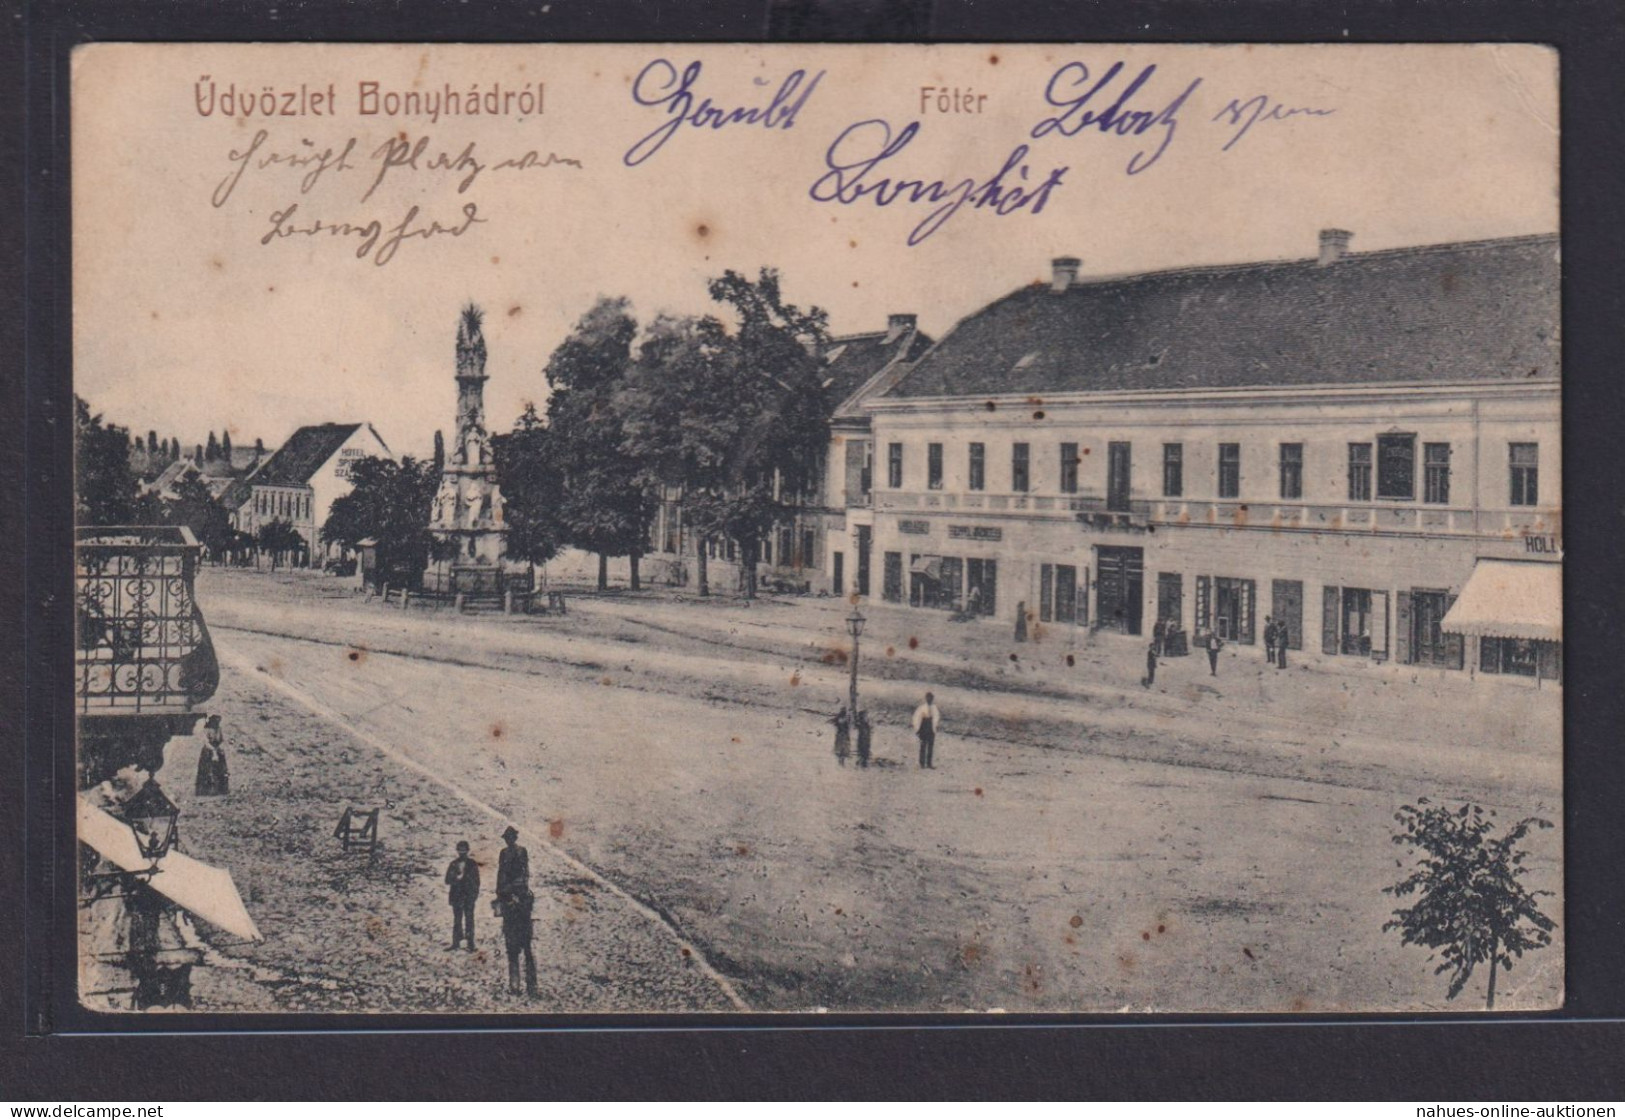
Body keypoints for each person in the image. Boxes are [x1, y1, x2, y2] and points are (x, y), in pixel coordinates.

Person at [496, 825, 537, 995]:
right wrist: (502, 893)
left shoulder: (522, 852)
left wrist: (515, 891)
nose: (509, 840)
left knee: (527, 946)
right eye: (507, 838)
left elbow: (524, 874)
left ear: (515, 838)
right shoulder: (503, 853)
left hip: (521, 904)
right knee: (511, 946)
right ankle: (515, 985)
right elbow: (501, 875)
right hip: (508, 901)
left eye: (511, 837)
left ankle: (531, 984)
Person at [444, 840, 481, 951]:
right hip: (457, 897)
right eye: (460, 850)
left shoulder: (472, 864)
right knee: (457, 920)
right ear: (457, 851)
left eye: (464, 850)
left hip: (468, 897)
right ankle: (456, 943)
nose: (462, 853)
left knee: (469, 920)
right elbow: (447, 880)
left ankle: (470, 944)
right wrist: (456, 878)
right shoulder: (453, 864)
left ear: (467, 851)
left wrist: (474, 895)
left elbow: (476, 881)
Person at [194, 715, 229, 797]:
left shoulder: (219, 729)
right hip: (208, 751)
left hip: (218, 749)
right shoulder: (206, 730)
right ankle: (205, 791)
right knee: (207, 770)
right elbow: (205, 742)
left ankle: (221, 790)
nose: (217, 723)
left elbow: (222, 740)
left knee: (221, 769)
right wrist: (213, 751)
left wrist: (220, 748)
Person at [912, 691, 942, 769]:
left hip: (930, 726)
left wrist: (936, 725)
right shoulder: (921, 708)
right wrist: (917, 728)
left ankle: (929, 763)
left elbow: (936, 717)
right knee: (923, 745)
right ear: (926, 698)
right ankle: (922, 763)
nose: (930, 700)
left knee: (930, 746)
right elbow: (916, 717)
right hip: (924, 726)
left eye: (931, 698)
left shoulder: (934, 708)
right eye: (928, 698)